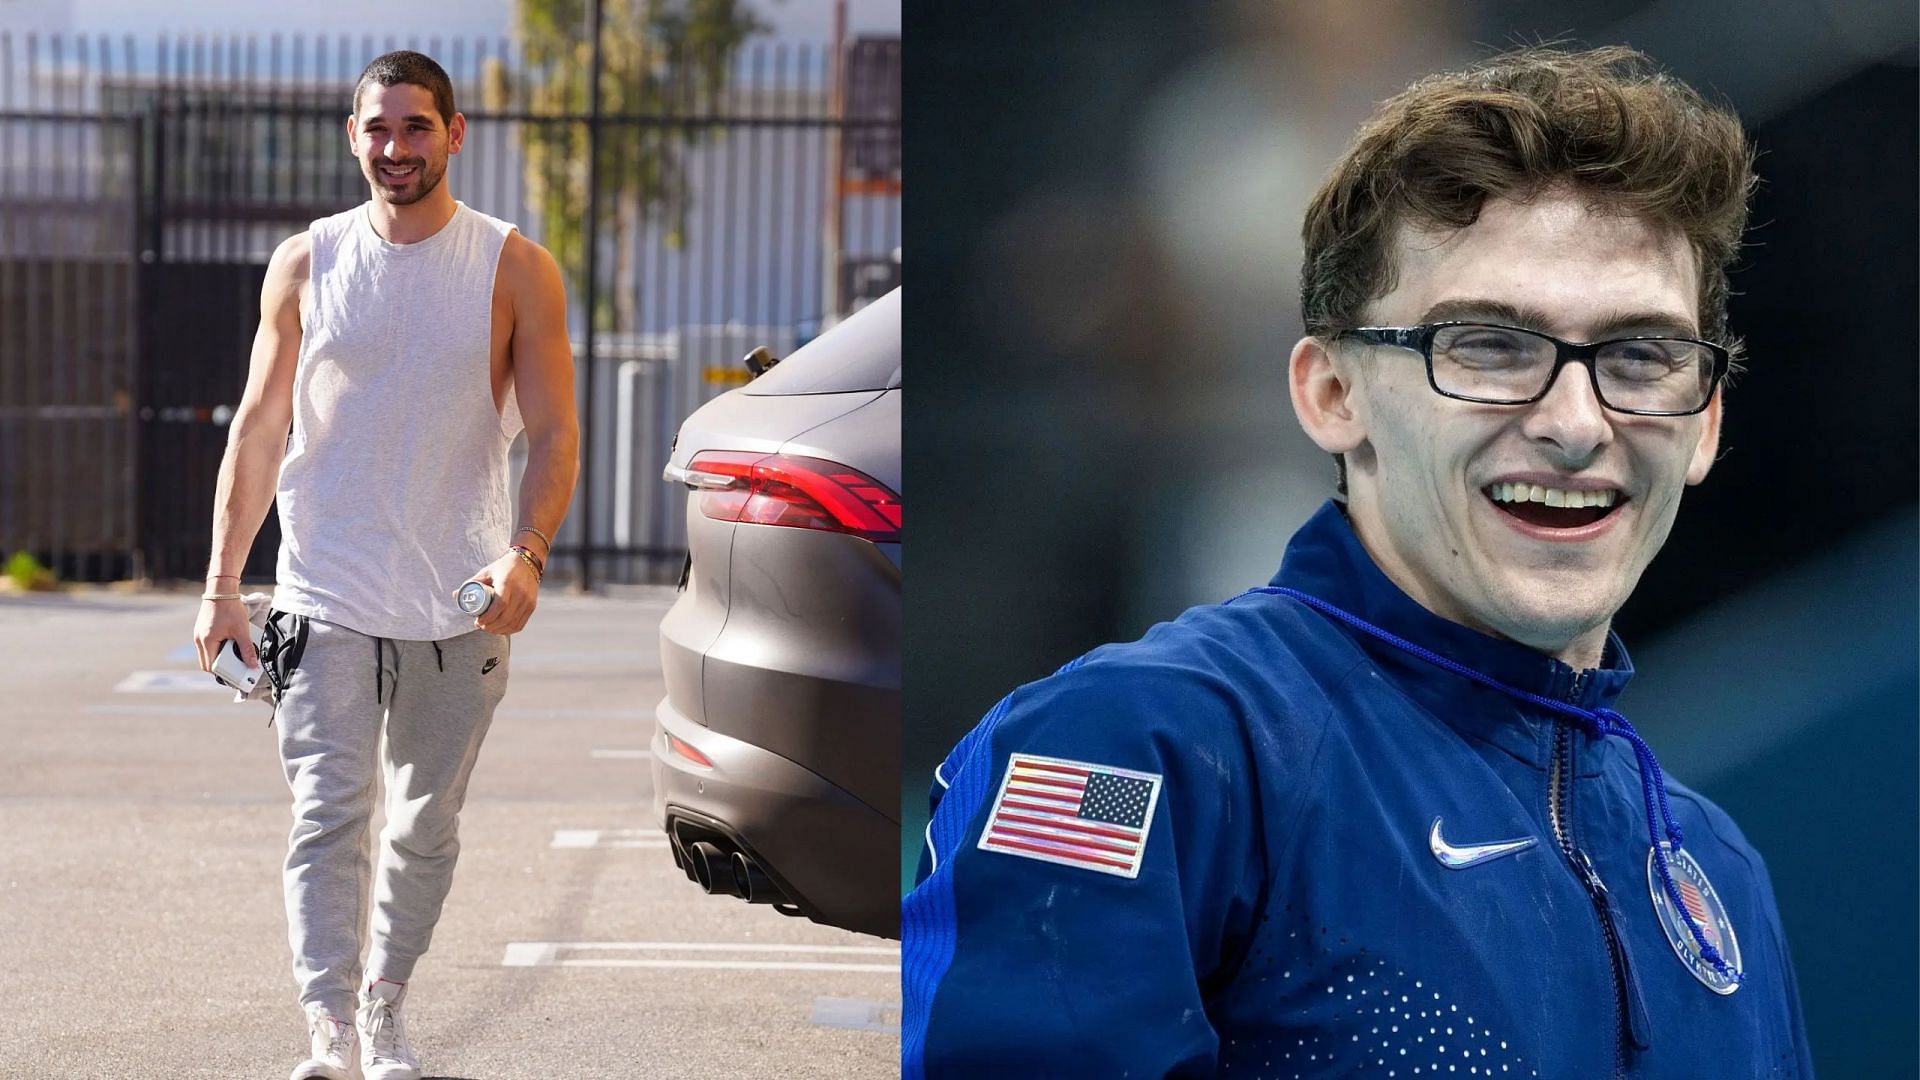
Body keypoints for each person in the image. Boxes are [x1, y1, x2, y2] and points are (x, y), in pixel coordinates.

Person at [903, 46, 1813, 1078]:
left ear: (1705, 424)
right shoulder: (1125, 754)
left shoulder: (1714, 870)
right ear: (1333, 395)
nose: (1575, 422)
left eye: (1641, 356)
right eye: (1490, 345)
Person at [190, 50, 579, 1080]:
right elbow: (261, 426)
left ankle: (388, 997)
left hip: (462, 603)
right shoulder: (307, 262)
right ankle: (330, 1027)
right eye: (377, 128)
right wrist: (222, 587)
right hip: (324, 597)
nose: (395, 148)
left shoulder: (515, 266)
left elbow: (553, 431)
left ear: (455, 135)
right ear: (352, 136)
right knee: (328, 815)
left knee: (424, 827)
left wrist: (527, 556)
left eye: (415, 127)